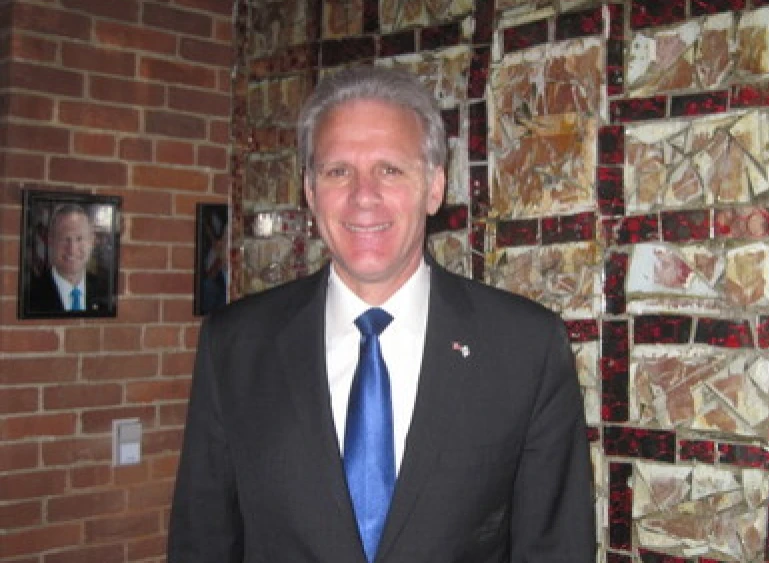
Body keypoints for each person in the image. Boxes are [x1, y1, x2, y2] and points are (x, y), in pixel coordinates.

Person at [168, 65, 596, 562]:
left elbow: (556, 549)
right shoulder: (235, 347)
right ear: (310, 191)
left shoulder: (526, 348)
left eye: (390, 169)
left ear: (434, 186)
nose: (363, 196)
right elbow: (203, 543)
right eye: (337, 171)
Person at [27, 203, 110, 314]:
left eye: (79, 239)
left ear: (92, 241)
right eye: (65, 239)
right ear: (50, 240)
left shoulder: (105, 292)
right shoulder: (30, 295)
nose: (72, 249)